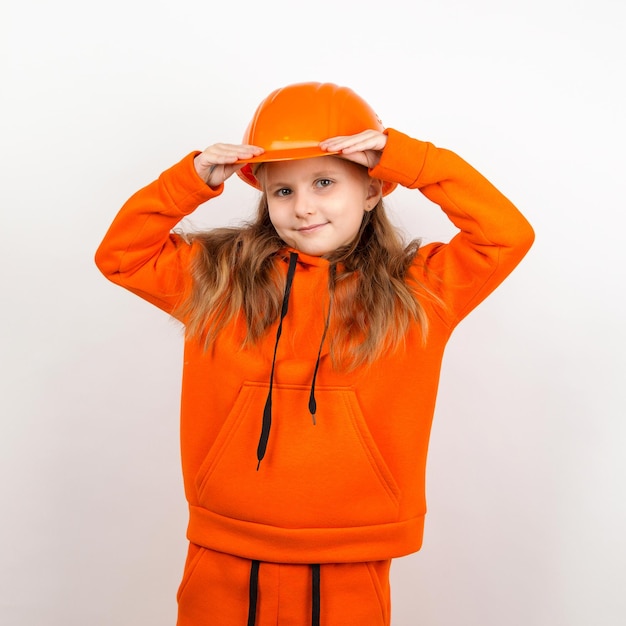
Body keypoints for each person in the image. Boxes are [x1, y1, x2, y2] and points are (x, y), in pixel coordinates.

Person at [95, 81, 534, 626]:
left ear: (372, 189)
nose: (302, 208)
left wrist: (407, 158)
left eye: (324, 182)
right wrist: (188, 183)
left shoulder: (421, 291)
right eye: (282, 191)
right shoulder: (216, 279)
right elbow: (121, 256)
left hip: (350, 551)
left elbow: (506, 235)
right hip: (227, 543)